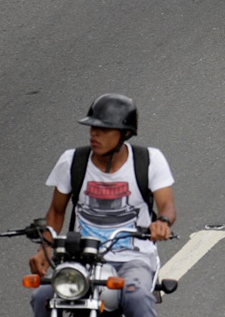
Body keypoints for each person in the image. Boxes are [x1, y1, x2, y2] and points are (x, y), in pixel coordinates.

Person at [28, 95, 175, 317]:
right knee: (41, 297)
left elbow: (167, 206)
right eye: (93, 127)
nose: (94, 134)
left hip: (132, 258)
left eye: (105, 129)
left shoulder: (149, 160)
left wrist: (162, 223)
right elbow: (56, 212)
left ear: (125, 134)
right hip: (81, 257)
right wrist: (44, 249)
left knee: (136, 297)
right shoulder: (72, 161)